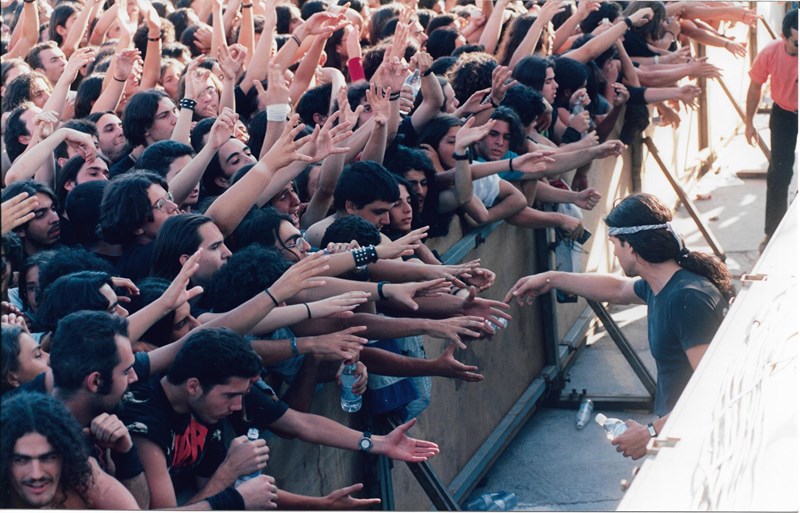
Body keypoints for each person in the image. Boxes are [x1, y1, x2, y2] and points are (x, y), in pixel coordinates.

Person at [505, 193, 733, 459]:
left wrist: (651, 432)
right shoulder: (661, 284)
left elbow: (716, 385)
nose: (613, 251)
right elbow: (616, 288)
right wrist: (551, 279)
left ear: (632, 248)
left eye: (614, 243)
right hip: (678, 425)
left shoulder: (687, 298)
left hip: (694, 436)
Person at [0, 391, 139, 509]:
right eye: (21, 460)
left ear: (65, 456)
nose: (36, 474)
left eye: (48, 458)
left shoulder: (83, 476)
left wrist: (126, 454)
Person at [744, 8, 798, 251]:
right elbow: (755, 87)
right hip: (785, 113)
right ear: (783, 37)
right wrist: (749, 122)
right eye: (797, 43)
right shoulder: (769, 53)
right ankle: (773, 233)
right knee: (779, 173)